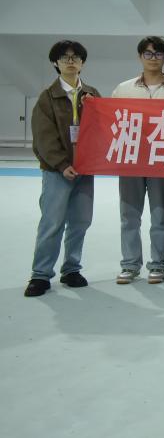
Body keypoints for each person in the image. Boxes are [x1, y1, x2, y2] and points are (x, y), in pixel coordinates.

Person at [24, 41, 101, 297]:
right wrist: (61, 164)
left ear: (82, 63)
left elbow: (103, 128)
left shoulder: (92, 94)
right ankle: (40, 274)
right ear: (55, 63)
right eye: (65, 57)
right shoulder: (47, 97)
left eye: (75, 57)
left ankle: (71, 269)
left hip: (85, 170)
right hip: (57, 171)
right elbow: (43, 137)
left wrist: (93, 108)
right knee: (52, 222)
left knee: (80, 221)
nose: (70, 61)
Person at [112, 36, 164, 285]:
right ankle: (130, 264)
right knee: (129, 216)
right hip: (131, 161)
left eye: (158, 54)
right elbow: (110, 122)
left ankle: (157, 265)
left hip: (161, 162)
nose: (153, 58)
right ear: (140, 57)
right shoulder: (123, 89)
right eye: (148, 53)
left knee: (160, 215)